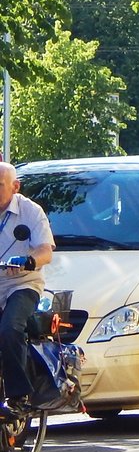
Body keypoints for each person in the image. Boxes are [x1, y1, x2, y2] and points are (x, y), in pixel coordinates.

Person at [0, 163, 54, 417]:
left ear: (15, 186)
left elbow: (45, 250)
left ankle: (18, 395)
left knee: (9, 328)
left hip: (22, 284)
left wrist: (28, 260)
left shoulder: (31, 212)